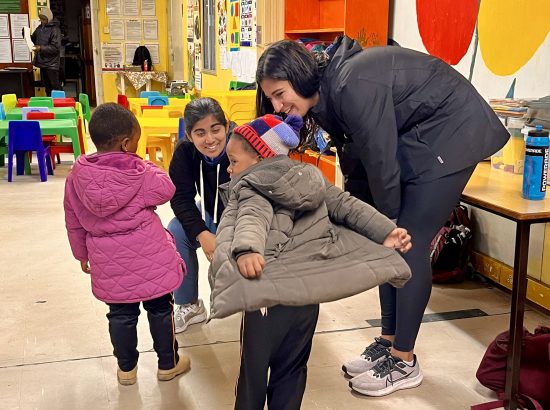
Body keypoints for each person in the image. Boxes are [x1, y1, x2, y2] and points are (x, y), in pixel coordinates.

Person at [255, 37, 509, 397]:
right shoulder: (328, 95)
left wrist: (385, 225)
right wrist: (363, 220)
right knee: (383, 242)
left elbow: (382, 161)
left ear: (300, 76)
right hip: (421, 136)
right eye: (273, 100)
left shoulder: (350, 84)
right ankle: (388, 343)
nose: (279, 107)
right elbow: (356, 159)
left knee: (408, 243)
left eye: (280, 94)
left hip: (454, 132)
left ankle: (404, 360)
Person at [210, 114, 413, 409]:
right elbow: (348, 206)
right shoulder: (314, 178)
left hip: (266, 293)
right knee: (293, 366)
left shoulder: (252, 185)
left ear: (261, 158)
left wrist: (246, 251)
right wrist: (385, 230)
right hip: (307, 294)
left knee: (254, 371)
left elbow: (252, 218)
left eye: (234, 161)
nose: (229, 169)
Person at [63, 103, 190, 386]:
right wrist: (143, 162)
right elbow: (167, 189)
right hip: (151, 257)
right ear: (126, 143)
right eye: (136, 141)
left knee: (120, 314)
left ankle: (126, 370)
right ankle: (168, 364)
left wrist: (81, 254)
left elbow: (73, 219)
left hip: (106, 259)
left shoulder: (76, 177)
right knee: (160, 308)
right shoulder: (139, 173)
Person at [167, 97, 236, 333]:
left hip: (243, 216)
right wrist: (202, 233)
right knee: (175, 230)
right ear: (189, 135)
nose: (210, 139)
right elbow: (180, 198)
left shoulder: (242, 145)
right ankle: (189, 304)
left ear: (227, 126)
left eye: (216, 129)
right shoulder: (185, 153)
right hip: (208, 211)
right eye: (200, 133)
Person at [31, 7, 62, 96]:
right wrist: (26, 36)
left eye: (44, 19)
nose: (42, 21)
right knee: (47, 87)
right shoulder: (39, 28)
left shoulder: (55, 29)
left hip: (52, 65)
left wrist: (40, 48)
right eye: (41, 19)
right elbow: (34, 39)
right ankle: (50, 106)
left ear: (49, 18)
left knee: (55, 88)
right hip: (43, 63)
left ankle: (59, 106)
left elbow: (55, 48)